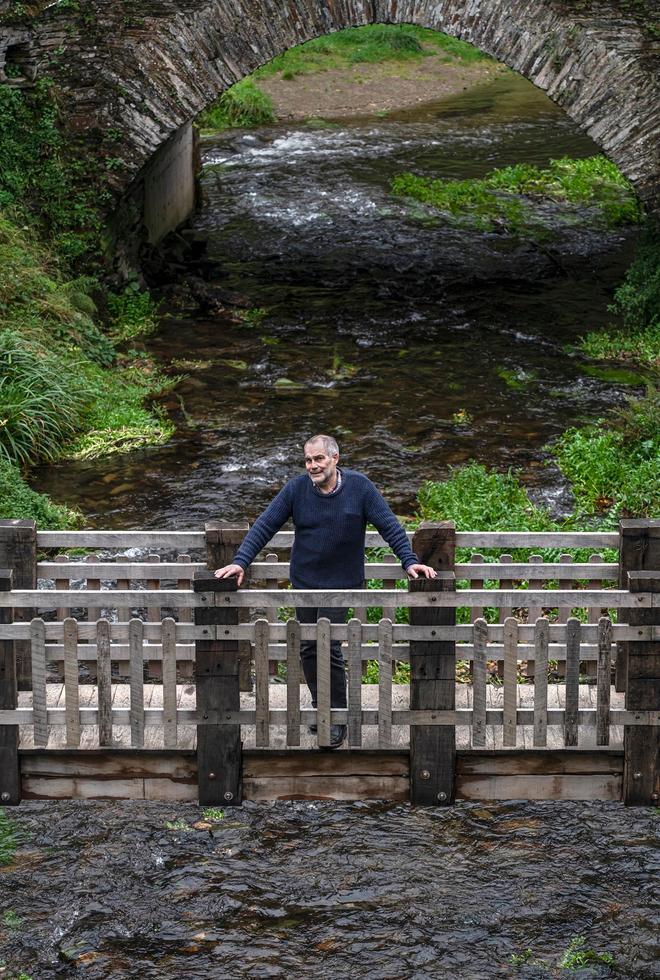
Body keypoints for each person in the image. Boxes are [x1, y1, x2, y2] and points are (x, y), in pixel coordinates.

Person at [214, 434, 437, 748]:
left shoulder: (360, 488)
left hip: (342, 584)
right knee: (308, 647)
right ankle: (322, 707)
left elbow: (389, 525)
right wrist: (240, 562)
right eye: (308, 460)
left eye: (318, 459)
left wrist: (410, 561)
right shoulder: (296, 489)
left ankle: (336, 717)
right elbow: (265, 524)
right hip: (305, 582)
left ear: (335, 459)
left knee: (327, 645)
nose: (312, 466)